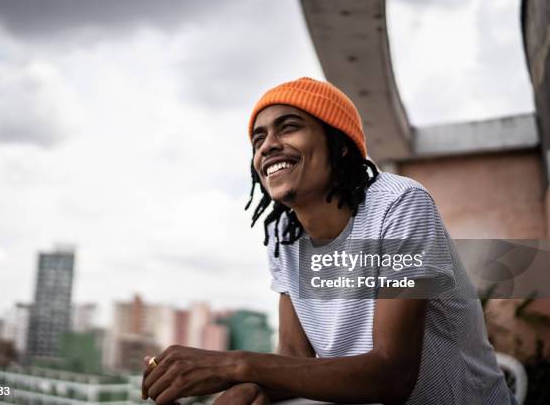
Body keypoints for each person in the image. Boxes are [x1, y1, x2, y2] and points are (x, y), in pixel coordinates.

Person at [141, 77, 516, 404]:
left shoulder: (400, 205)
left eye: (288, 127)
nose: (268, 145)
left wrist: (236, 365)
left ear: (339, 144)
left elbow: (393, 373)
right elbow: (294, 356)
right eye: (259, 138)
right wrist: (253, 388)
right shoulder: (283, 236)